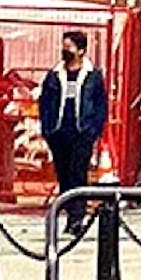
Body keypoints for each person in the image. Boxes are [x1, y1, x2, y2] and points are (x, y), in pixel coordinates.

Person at [36, 34, 109, 200]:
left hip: (82, 131)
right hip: (59, 131)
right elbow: (45, 102)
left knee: (78, 173)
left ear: (81, 50)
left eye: (69, 47)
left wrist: (92, 132)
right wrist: (48, 129)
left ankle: (76, 217)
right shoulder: (54, 74)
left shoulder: (93, 76)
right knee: (63, 175)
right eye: (64, 47)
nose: (65, 51)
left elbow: (100, 105)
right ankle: (68, 211)